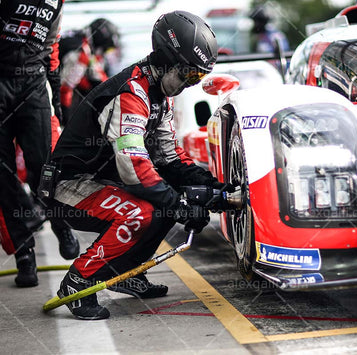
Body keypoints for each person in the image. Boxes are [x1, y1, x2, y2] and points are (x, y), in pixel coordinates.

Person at [50, 10, 224, 320]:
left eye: (198, 78)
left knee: (165, 201)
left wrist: (212, 186)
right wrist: (181, 206)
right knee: (142, 212)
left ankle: (126, 273)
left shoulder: (158, 94)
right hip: (68, 187)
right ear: (168, 60)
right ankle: (76, 283)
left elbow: (171, 158)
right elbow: (133, 165)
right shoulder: (132, 92)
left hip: (102, 182)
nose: (189, 84)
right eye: (189, 74)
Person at [0, 0, 79, 288]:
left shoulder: (56, 2)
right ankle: (24, 254)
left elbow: (52, 52)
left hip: (33, 81)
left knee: (44, 164)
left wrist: (57, 105)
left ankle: (60, 222)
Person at [59, 18, 120, 125]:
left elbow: (99, 75)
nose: (104, 53)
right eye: (105, 48)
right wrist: (66, 121)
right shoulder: (80, 52)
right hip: (48, 95)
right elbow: (65, 88)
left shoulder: (80, 38)